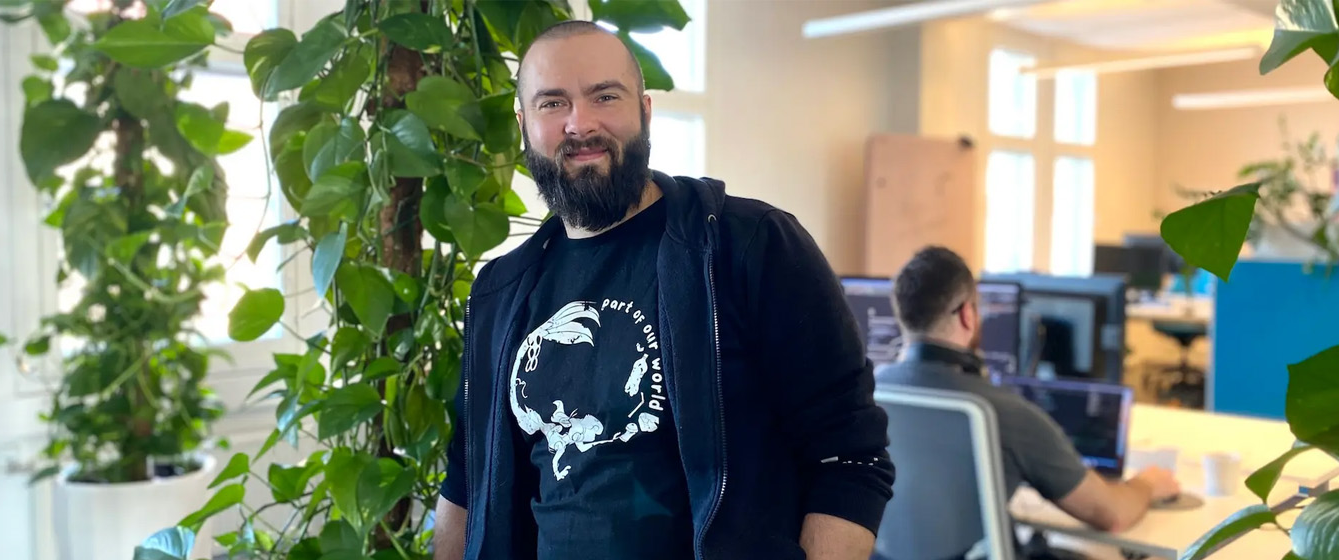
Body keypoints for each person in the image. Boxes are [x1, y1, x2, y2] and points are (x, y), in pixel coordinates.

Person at [432, 20, 895, 560]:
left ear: (645, 110)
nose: (580, 124)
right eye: (552, 104)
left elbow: (849, 459)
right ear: (524, 123)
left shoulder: (748, 247)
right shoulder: (500, 291)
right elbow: (467, 480)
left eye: (605, 96)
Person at [875, 247, 1180, 541]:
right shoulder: (1001, 412)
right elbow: (1112, 514)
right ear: (968, 315)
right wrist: (1148, 484)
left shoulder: (870, 394)